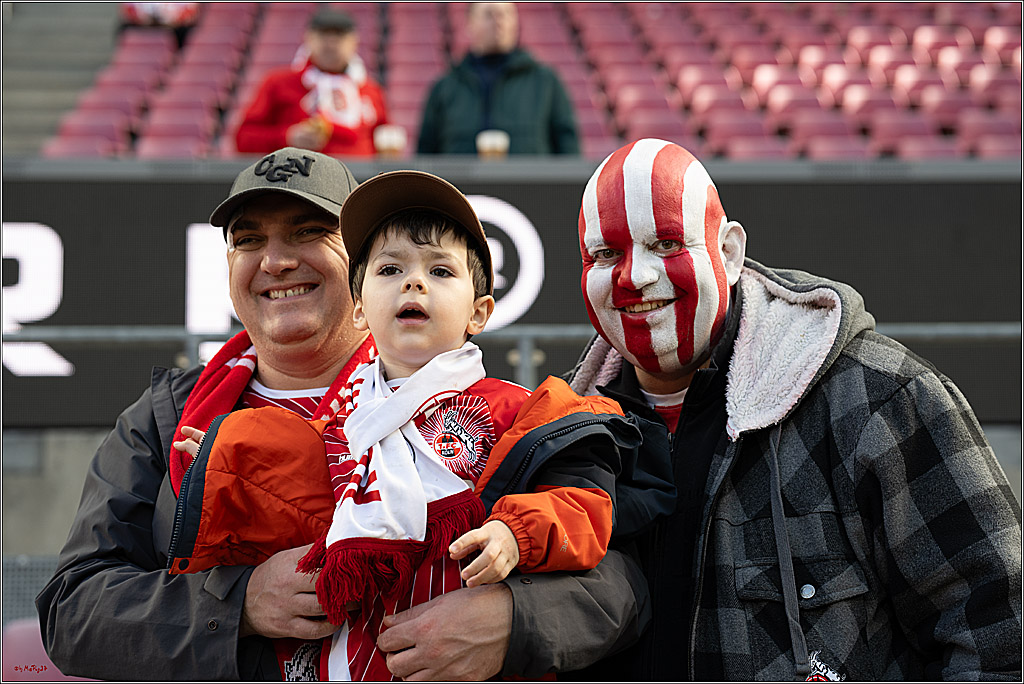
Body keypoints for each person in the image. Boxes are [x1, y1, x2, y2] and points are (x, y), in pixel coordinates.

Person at [35, 146, 649, 681]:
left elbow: (622, 581)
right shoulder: (168, 418)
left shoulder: (482, 406)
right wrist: (238, 605)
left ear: (358, 268)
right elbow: (72, 611)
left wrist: (513, 620)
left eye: (307, 231)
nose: (275, 261)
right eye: (249, 240)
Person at [558, 138, 1023, 680]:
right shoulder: (562, 434)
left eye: (665, 244)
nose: (634, 276)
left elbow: (1001, 634)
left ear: (729, 253)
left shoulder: (879, 401)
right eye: (606, 254)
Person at [416, 2, 579, 155]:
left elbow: (569, 150)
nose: (499, 21)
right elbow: (426, 155)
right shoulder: (445, 87)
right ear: (469, 23)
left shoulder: (546, 82)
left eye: (506, 14)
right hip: (459, 178)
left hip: (529, 178)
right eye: (489, 15)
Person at [235, 8, 387, 157]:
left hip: (360, 173)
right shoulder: (279, 83)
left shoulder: (371, 90)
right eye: (323, 35)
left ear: (354, 41)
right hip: (300, 173)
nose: (331, 43)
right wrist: (287, 137)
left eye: (339, 35)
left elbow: (384, 139)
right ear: (308, 38)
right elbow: (243, 139)